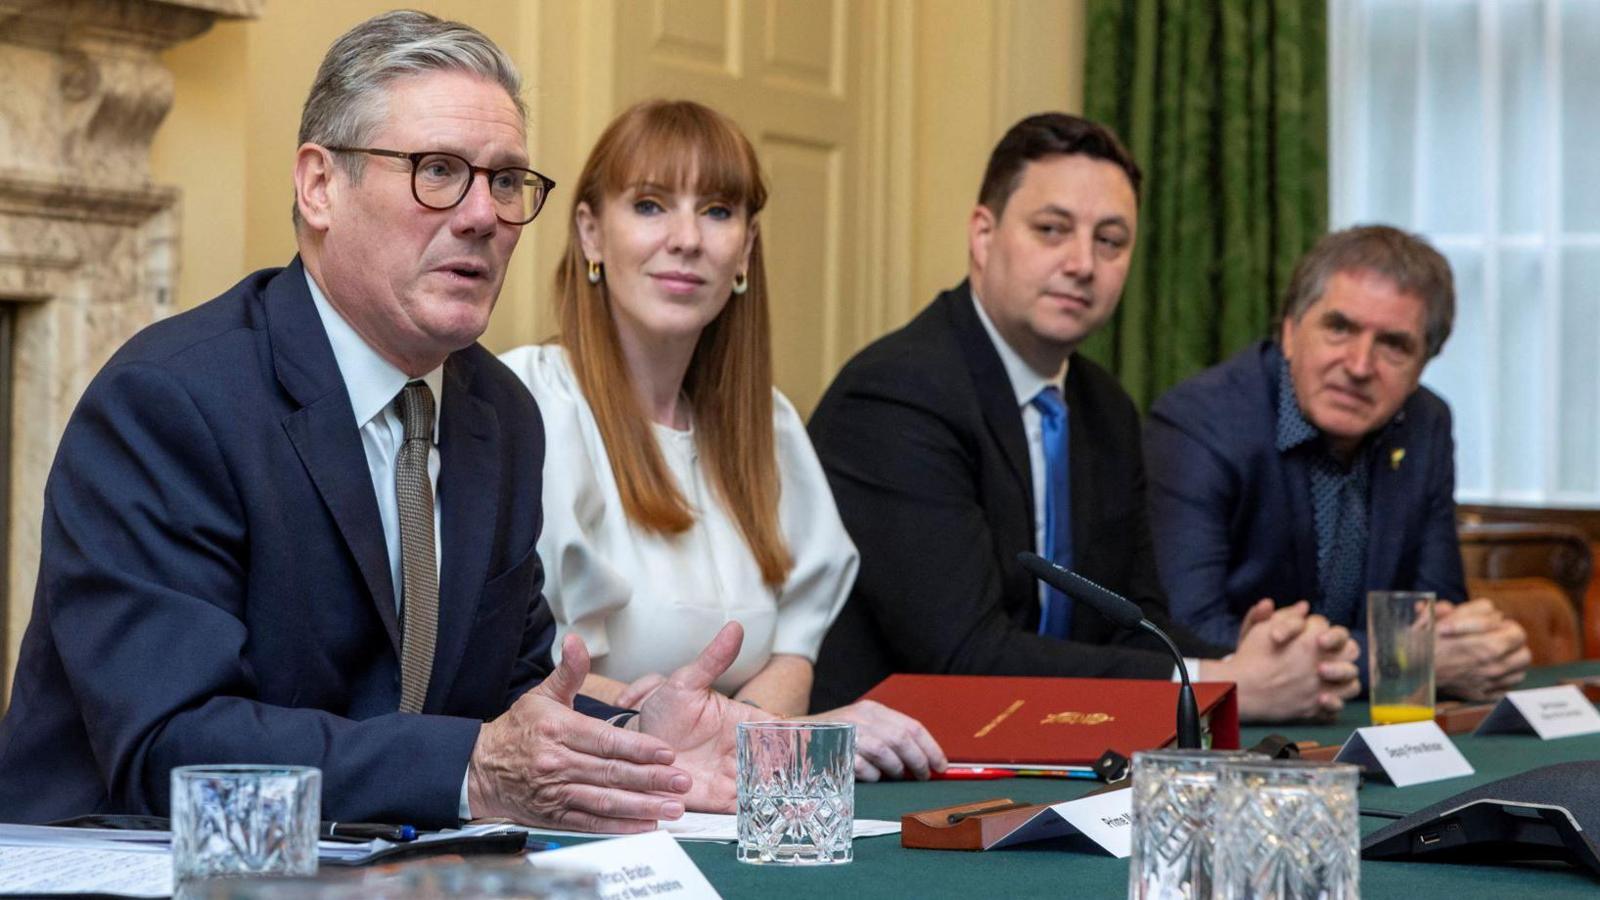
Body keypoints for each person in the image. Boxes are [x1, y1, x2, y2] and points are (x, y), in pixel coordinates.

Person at [0, 11, 762, 833]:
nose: (482, 216)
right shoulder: (171, 402)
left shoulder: (499, 414)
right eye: (437, 171)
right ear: (320, 186)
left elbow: (505, 705)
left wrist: (637, 745)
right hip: (132, 864)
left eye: (506, 182)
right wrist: (468, 772)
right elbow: (168, 747)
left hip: (379, 864)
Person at [808, 113, 1360, 722]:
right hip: (889, 776)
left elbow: (1132, 627)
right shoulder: (897, 394)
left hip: (1047, 753)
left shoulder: (1103, 407)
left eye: (1111, 241)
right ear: (983, 235)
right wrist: (1220, 682)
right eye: (1052, 230)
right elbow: (965, 655)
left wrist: (1259, 660)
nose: (1082, 263)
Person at [499, 99, 945, 781]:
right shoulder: (530, 402)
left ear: (746, 248)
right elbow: (525, 668)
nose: (687, 239)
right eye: (650, 206)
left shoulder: (770, 428)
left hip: (733, 798)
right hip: (584, 793)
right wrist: (695, 730)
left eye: (716, 211)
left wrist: (746, 743)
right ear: (590, 233)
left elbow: (794, 650)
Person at [1144, 225, 1531, 701]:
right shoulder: (1200, 422)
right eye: (1340, 328)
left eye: (1393, 344)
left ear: (1422, 366)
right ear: (1289, 332)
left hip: (1377, 729)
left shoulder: (1425, 423)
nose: (1359, 365)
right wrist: (1400, 659)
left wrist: (1477, 645)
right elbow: (1188, 631)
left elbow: (1437, 612)